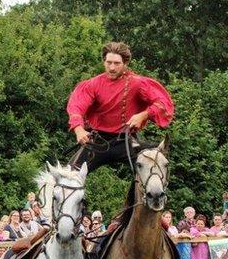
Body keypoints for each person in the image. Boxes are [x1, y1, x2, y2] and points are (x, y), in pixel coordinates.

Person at [67, 42, 174, 173]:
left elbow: (162, 102)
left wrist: (144, 114)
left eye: (117, 63)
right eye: (108, 62)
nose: (112, 67)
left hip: (127, 142)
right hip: (98, 141)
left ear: (125, 63)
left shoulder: (138, 83)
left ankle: (136, 194)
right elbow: (76, 106)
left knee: (153, 171)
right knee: (68, 177)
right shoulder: (93, 84)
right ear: (104, 62)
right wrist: (79, 130)